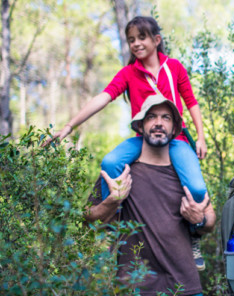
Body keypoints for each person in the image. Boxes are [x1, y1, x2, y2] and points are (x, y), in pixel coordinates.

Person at [46, 16, 208, 269]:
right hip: (141, 140)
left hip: (175, 140)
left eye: (141, 38)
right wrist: (69, 126)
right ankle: (113, 226)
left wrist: (201, 136)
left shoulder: (174, 67)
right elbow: (103, 97)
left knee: (197, 189)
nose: (135, 44)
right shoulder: (129, 73)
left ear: (156, 40)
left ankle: (193, 236)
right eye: (131, 39)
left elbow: (191, 101)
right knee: (110, 162)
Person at [85, 95, 215, 295]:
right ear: (140, 126)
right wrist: (112, 201)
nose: (158, 123)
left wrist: (199, 220)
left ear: (174, 129)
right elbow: (88, 220)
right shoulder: (120, 173)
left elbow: (210, 221)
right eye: (151, 117)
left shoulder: (186, 174)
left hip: (185, 286)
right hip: (134, 287)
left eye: (166, 118)